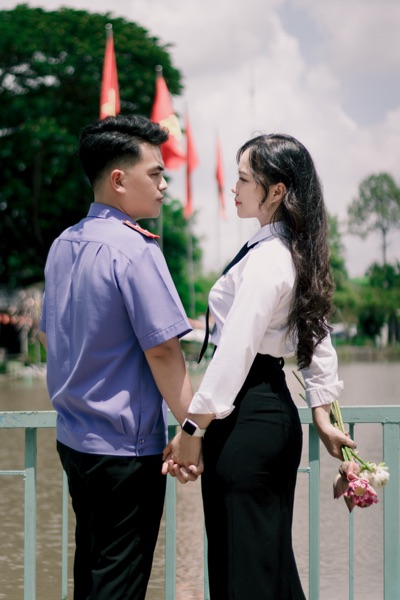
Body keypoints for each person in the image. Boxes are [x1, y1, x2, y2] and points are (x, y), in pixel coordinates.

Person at [164, 133, 356, 599]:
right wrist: (321, 413)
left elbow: (235, 352)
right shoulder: (288, 249)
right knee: (264, 566)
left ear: (276, 191)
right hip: (266, 412)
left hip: (247, 417)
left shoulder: (270, 258)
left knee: (244, 571)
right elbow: (317, 337)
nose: (234, 188)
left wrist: (192, 429)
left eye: (244, 179)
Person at [38, 115, 202, 600]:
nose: (164, 185)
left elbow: (47, 336)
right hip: (124, 451)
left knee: (93, 574)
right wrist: (192, 429)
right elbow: (164, 350)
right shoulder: (135, 249)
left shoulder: (63, 244)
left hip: (74, 440)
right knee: (118, 585)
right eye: (155, 173)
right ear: (118, 179)